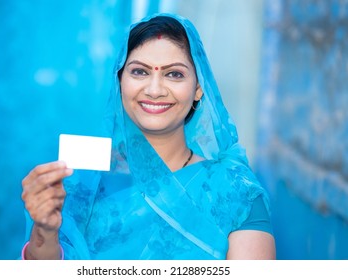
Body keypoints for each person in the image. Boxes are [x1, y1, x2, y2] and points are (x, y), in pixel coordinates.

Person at [20, 12, 276, 260]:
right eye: (140, 72)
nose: (154, 90)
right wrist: (45, 229)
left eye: (174, 74)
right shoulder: (82, 179)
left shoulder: (233, 189)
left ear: (198, 89)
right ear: (120, 81)